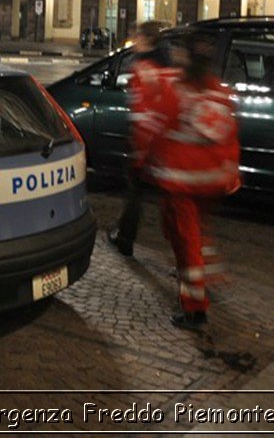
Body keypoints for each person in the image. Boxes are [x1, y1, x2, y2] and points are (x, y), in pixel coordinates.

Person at [140, 31, 240, 330]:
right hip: (211, 181)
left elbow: (156, 128)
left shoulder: (178, 90)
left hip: (182, 182)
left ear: (187, 57)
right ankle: (207, 276)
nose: (175, 56)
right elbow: (230, 136)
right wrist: (230, 172)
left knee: (187, 243)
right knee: (196, 235)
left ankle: (195, 308)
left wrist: (143, 160)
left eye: (180, 51)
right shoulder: (220, 91)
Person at [108, 21, 177, 257]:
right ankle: (183, 253)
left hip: (147, 142)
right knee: (170, 200)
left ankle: (125, 239)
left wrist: (139, 148)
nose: (134, 40)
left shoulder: (142, 68)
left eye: (137, 36)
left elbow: (141, 110)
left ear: (146, 39)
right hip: (168, 141)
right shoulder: (169, 65)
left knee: (136, 193)